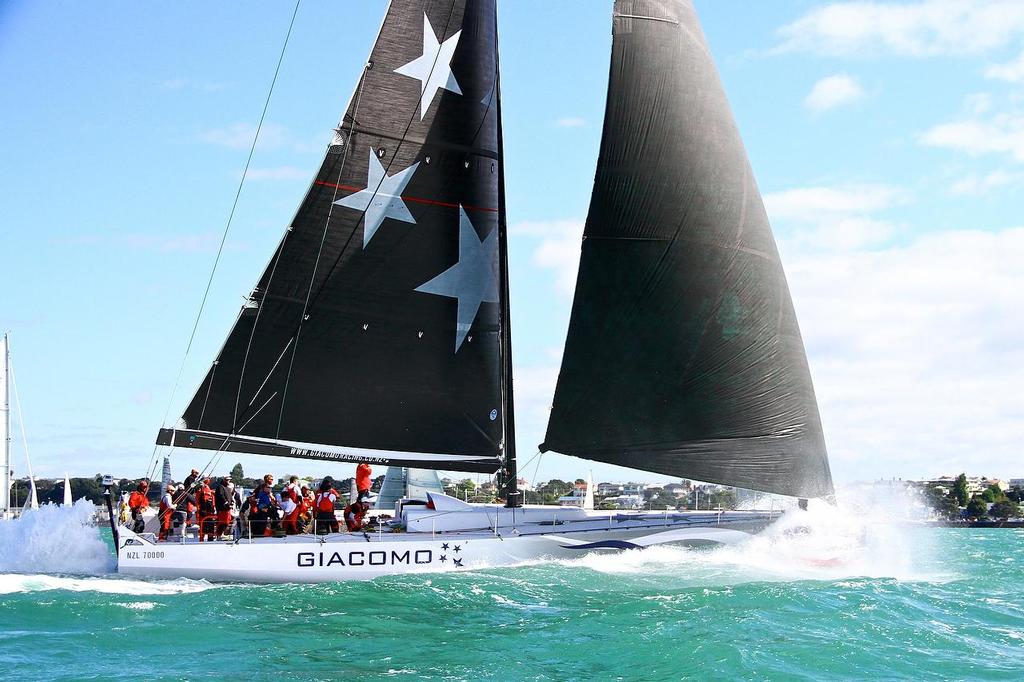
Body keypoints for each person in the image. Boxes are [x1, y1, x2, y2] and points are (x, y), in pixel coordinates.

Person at [197, 477, 217, 542]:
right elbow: (198, 500)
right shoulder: (201, 489)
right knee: (203, 527)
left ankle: (209, 538)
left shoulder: (207, 489)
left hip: (209, 512)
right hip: (204, 512)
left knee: (210, 526)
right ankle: (202, 539)